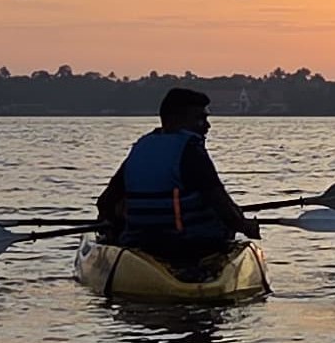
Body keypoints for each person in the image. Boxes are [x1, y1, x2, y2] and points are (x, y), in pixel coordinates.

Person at [96, 87, 258, 263]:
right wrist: (245, 226)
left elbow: (105, 202)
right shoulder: (191, 152)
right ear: (175, 120)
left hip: (140, 242)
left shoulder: (141, 148)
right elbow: (221, 204)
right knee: (224, 225)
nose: (207, 126)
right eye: (200, 119)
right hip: (190, 244)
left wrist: (109, 224)